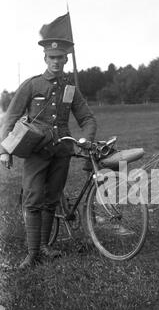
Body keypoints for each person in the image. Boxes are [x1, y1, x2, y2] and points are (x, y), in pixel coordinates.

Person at [0, 38, 98, 269]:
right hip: (36, 151)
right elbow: (11, 118)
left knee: (51, 199)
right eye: (51, 57)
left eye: (60, 57)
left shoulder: (70, 88)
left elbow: (87, 118)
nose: (56, 61)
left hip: (61, 151)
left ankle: (44, 247)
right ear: (45, 59)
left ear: (66, 59)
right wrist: (5, 150)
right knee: (33, 199)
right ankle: (32, 254)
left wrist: (85, 138)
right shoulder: (32, 85)